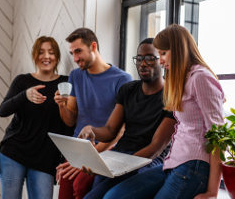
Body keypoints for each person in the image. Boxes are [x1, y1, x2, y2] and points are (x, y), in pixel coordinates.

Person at [102, 24, 225, 199]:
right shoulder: (184, 80)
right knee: (113, 196)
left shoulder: (201, 78)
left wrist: (212, 192)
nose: (160, 61)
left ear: (178, 50)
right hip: (174, 162)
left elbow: (218, 136)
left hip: (194, 165)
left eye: (163, 53)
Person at [77, 38, 176, 199]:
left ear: (162, 61)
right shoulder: (128, 90)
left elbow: (155, 148)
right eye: (139, 58)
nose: (143, 64)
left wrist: (119, 164)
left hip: (149, 161)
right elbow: (110, 131)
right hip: (121, 154)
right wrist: (91, 130)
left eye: (150, 58)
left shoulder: (172, 97)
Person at [54, 28, 132, 199]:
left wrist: (89, 156)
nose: (75, 58)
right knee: (65, 187)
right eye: (72, 53)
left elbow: (120, 131)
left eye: (78, 51)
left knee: (80, 186)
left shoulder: (122, 79)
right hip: (77, 149)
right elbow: (70, 120)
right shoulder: (75, 76)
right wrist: (61, 105)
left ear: (93, 46)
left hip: (104, 150)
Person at [0, 36, 74, 199]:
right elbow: (3, 110)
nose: (46, 56)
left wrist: (63, 105)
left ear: (57, 57)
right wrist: (24, 95)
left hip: (45, 157)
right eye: (41, 52)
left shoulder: (66, 84)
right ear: (35, 56)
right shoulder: (22, 81)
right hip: (14, 151)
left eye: (51, 52)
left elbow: (69, 125)